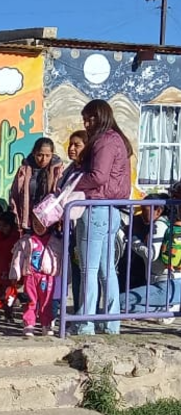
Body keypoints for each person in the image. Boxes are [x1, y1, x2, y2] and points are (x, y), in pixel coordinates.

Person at [72, 99, 133, 335]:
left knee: (89, 270)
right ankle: (111, 322)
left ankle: (85, 323)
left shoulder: (104, 141)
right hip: (111, 209)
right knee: (107, 270)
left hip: (96, 207)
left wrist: (73, 184)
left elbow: (98, 176)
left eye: (90, 119)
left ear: (102, 117)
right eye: (85, 119)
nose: (87, 124)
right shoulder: (117, 140)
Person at [120, 192, 178, 316]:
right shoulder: (171, 223)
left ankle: (164, 310)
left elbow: (151, 254)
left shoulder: (159, 225)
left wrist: (133, 239)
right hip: (174, 283)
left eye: (144, 210)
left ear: (158, 210)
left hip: (162, 283)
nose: (141, 214)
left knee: (120, 302)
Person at [9, 216, 63, 337]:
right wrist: (15, 274)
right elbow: (18, 258)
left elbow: (62, 259)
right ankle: (29, 324)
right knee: (30, 301)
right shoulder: (26, 241)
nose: (38, 227)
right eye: (35, 224)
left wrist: (65, 276)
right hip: (30, 276)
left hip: (47, 277)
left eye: (41, 224)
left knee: (47, 302)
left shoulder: (56, 242)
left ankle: (46, 324)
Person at [58, 131, 88, 309]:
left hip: (81, 225)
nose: (71, 148)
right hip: (68, 227)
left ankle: (82, 310)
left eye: (77, 145)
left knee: (82, 270)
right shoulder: (71, 168)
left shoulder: (86, 171)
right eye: (70, 144)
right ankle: (74, 308)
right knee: (73, 270)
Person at [10, 137, 64, 233]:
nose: (43, 159)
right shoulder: (24, 170)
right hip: (29, 218)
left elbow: (60, 194)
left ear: (52, 154)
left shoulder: (57, 171)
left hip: (50, 220)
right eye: (40, 155)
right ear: (34, 153)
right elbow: (15, 194)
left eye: (47, 156)